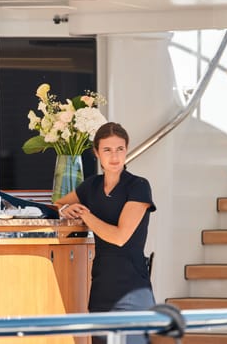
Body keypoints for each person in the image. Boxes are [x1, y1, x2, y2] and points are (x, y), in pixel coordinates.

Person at [55, 122, 156, 344]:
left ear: (127, 149)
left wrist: (86, 216)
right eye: (107, 150)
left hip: (133, 290)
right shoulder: (91, 186)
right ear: (96, 152)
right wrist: (66, 209)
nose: (114, 156)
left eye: (120, 149)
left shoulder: (138, 186)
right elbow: (59, 202)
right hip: (101, 289)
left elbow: (120, 237)